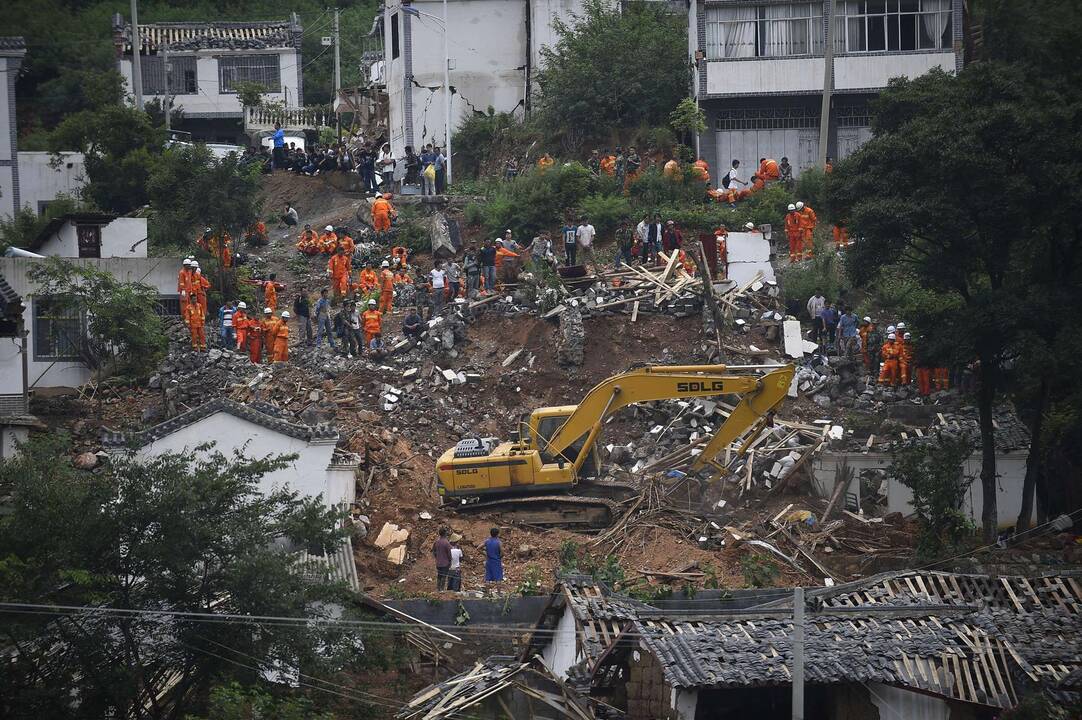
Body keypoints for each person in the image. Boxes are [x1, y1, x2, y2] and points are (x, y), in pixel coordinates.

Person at [433, 527, 452, 591]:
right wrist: (450, 561)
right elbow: (449, 554)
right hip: (445, 563)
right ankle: (442, 590)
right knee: (444, 576)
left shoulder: (436, 542)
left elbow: (434, 552)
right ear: (445, 533)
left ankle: (438, 589)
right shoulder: (446, 543)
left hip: (438, 563)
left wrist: (437, 557)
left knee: (439, 575)